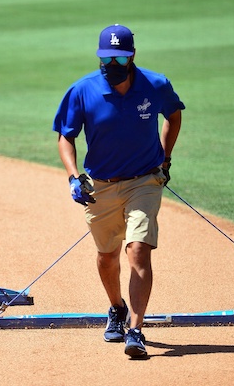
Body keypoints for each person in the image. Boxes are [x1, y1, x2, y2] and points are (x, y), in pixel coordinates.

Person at [52, 24, 184, 357]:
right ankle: (116, 309)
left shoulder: (155, 84)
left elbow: (174, 113)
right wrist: (72, 177)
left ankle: (136, 330)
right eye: (106, 58)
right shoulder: (83, 90)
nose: (112, 64)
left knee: (138, 249)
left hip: (144, 180)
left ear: (132, 56)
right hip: (101, 186)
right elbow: (66, 136)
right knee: (107, 255)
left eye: (120, 58)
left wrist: (165, 160)